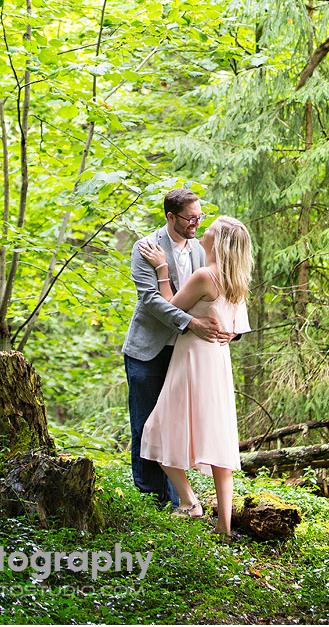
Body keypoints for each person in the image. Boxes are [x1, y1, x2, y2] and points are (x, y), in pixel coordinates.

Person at [137, 216, 252, 539]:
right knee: (218, 436)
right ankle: (224, 525)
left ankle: (189, 502)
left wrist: (162, 270)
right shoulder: (236, 280)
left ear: (218, 241)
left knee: (156, 429)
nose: (204, 230)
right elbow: (236, 327)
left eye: (210, 229)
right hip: (217, 361)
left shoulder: (205, 276)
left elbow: (172, 307)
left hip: (192, 358)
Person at [122, 188, 233, 507]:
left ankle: (179, 500)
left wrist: (230, 331)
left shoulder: (201, 250)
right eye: (190, 218)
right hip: (148, 350)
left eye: (200, 217)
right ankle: (151, 498)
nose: (196, 223)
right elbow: (151, 300)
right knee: (146, 423)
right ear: (171, 217)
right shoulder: (146, 247)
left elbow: (218, 290)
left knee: (176, 424)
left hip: (187, 354)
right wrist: (190, 323)